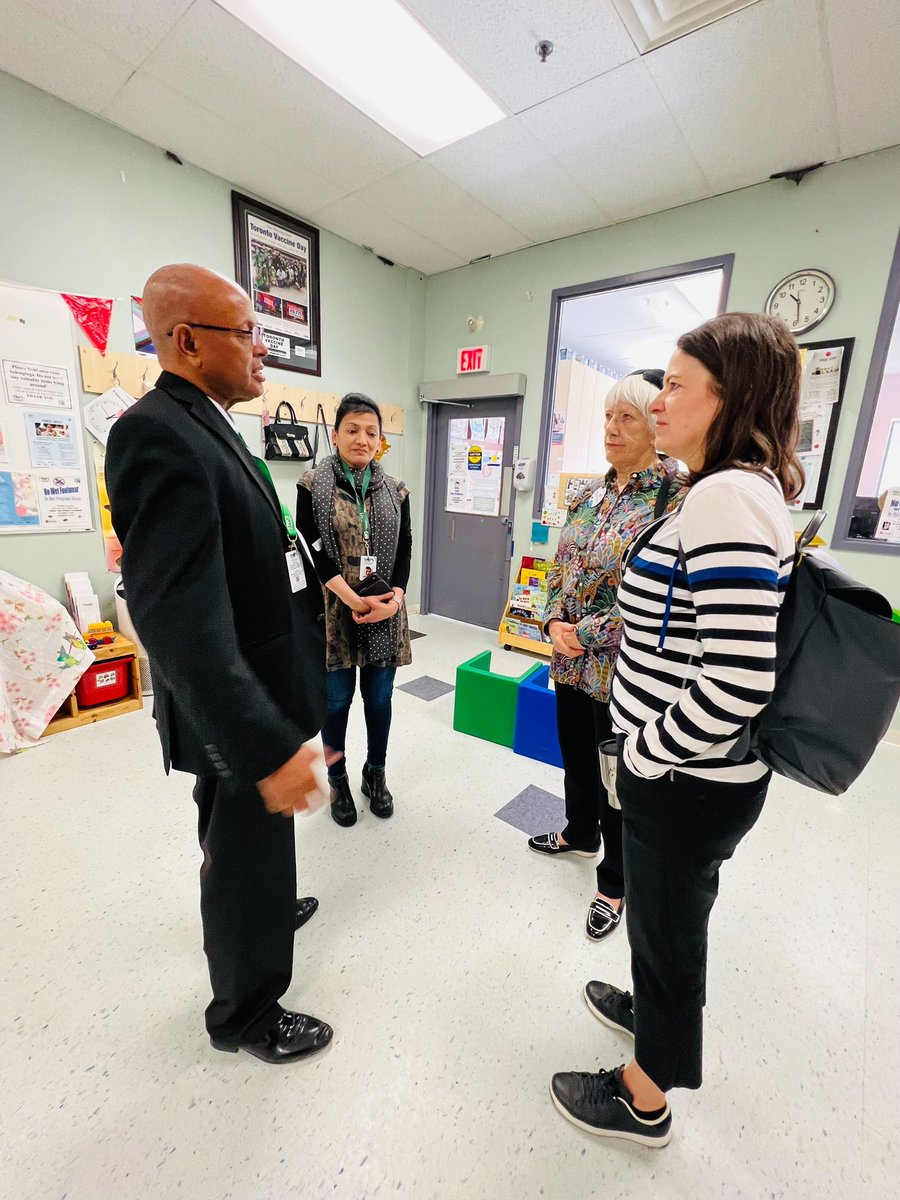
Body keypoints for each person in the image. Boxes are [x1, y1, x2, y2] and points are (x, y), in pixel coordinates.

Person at [550, 313, 803, 1146]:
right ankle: (651, 1013)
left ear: (730, 399)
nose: (659, 401)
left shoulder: (728, 496)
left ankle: (642, 1098)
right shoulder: (724, 486)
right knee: (666, 923)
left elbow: (738, 679)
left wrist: (646, 753)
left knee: (669, 924)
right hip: (689, 773)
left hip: (686, 776)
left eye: (676, 385)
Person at [106, 264, 333, 1065]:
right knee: (240, 856)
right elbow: (180, 623)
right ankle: (244, 1015)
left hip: (263, 688)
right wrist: (266, 744)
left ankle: (267, 915)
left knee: (257, 850)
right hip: (231, 709)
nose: (264, 352)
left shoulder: (210, 423)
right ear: (189, 341)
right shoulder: (155, 433)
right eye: (248, 334)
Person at [530, 372, 685, 940]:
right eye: (607, 417)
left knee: (617, 776)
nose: (612, 429)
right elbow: (555, 567)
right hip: (569, 661)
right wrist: (551, 621)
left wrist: (585, 632)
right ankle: (578, 831)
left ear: (655, 425)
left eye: (627, 417)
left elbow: (663, 598)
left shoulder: (675, 499)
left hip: (623, 670)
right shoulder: (588, 495)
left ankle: (614, 881)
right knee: (574, 753)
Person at [296, 393, 412, 827]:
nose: (362, 439)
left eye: (371, 432)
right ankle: (337, 775)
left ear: (380, 440)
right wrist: (353, 599)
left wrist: (394, 600)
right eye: (353, 429)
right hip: (333, 612)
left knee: (379, 699)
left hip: (386, 610)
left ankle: (374, 773)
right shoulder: (312, 484)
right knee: (336, 701)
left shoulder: (396, 489)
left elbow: (404, 550)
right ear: (336, 433)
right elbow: (311, 550)